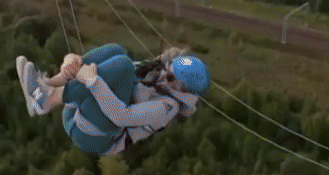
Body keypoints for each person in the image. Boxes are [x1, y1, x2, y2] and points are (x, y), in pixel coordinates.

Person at [16, 43, 210, 157]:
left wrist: (93, 81)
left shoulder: (167, 108)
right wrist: (71, 62)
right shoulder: (156, 73)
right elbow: (105, 67)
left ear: (183, 89)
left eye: (169, 78)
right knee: (117, 52)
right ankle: (48, 84)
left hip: (94, 135)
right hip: (80, 112)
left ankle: (45, 101)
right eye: (167, 67)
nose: (162, 74)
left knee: (124, 67)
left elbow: (120, 116)